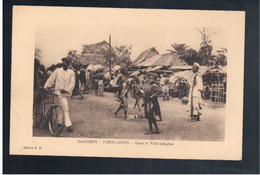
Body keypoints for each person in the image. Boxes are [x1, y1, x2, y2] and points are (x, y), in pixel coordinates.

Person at [44, 57, 75, 132]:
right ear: (62, 63)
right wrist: (46, 86)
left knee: (64, 107)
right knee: (65, 108)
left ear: (68, 64)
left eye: (66, 63)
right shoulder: (57, 71)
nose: (65, 64)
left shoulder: (71, 72)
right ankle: (68, 125)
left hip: (67, 93)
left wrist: (66, 90)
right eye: (64, 63)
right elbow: (51, 79)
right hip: (59, 93)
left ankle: (59, 122)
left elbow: (72, 83)